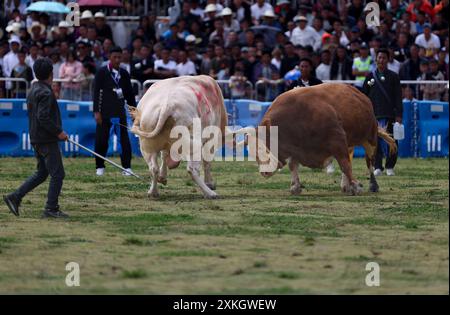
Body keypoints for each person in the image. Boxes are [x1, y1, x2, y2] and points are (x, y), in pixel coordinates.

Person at [3, 57, 69, 218]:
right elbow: (43, 117)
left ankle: (15, 197)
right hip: (46, 139)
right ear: (51, 73)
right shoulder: (46, 92)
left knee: (42, 173)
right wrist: (58, 132)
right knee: (58, 174)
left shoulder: (33, 89)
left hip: (36, 138)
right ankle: (51, 208)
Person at [93, 46, 136, 176]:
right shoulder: (102, 72)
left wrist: (134, 112)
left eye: (119, 57)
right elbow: (95, 92)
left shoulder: (124, 73)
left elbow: (130, 95)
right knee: (101, 140)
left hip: (119, 112)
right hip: (104, 112)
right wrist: (96, 111)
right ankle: (100, 166)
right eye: (114, 57)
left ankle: (127, 167)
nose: (117, 60)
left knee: (124, 141)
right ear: (109, 58)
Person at [363, 48, 403, 177]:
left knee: (392, 141)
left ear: (387, 60)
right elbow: (364, 96)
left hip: (390, 114)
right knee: (375, 142)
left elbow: (398, 97)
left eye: (384, 58)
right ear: (376, 59)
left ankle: (390, 166)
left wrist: (399, 115)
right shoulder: (369, 77)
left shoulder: (394, 77)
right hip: (374, 115)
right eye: (379, 58)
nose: (381, 60)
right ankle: (378, 166)